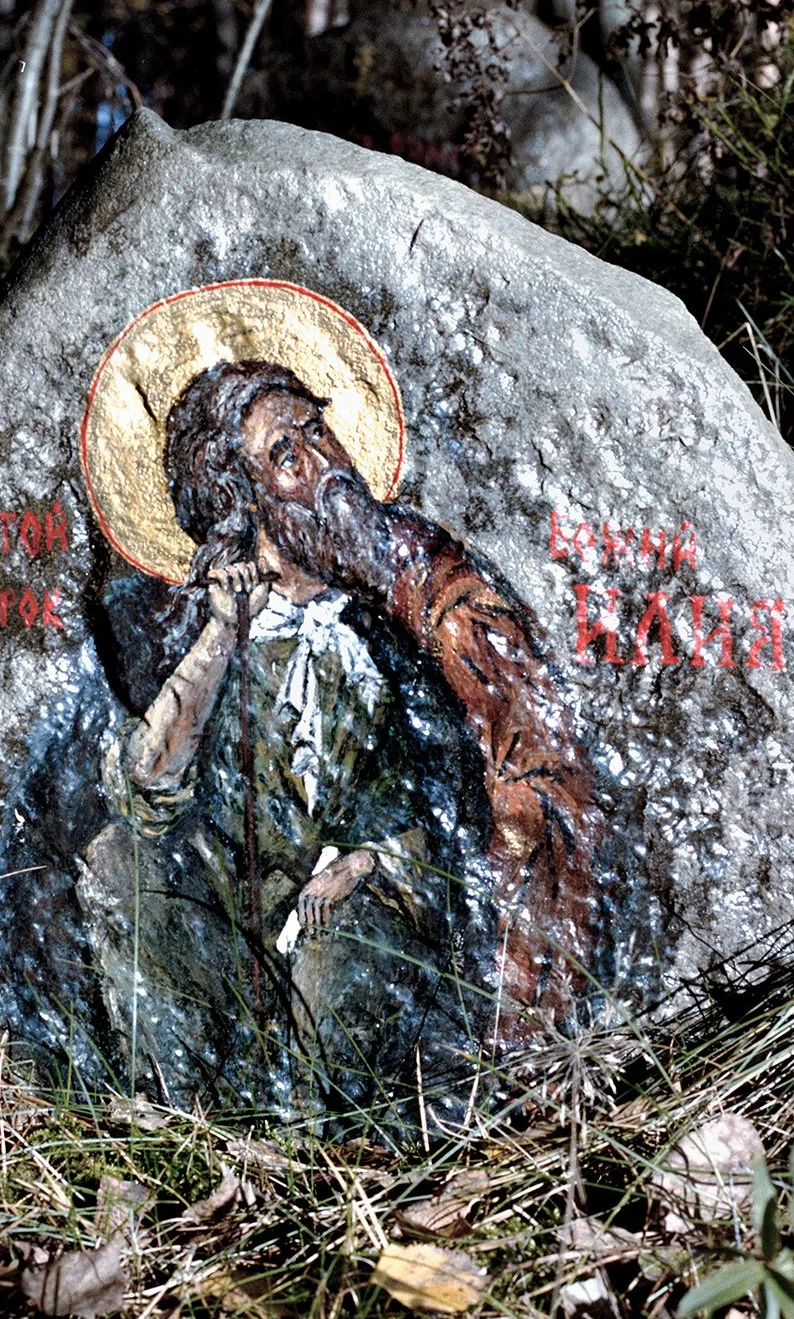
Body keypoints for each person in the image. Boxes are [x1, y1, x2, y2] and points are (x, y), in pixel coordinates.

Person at [74, 358, 604, 1116]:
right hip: (230, 911)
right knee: (118, 862)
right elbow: (145, 792)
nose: (324, 464)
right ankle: (182, 1125)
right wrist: (223, 633)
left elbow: (460, 793)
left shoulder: (395, 616)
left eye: (318, 431)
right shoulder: (191, 620)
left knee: (341, 951)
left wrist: (369, 861)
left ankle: (333, 1148)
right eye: (285, 455)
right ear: (241, 498)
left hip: (367, 902)